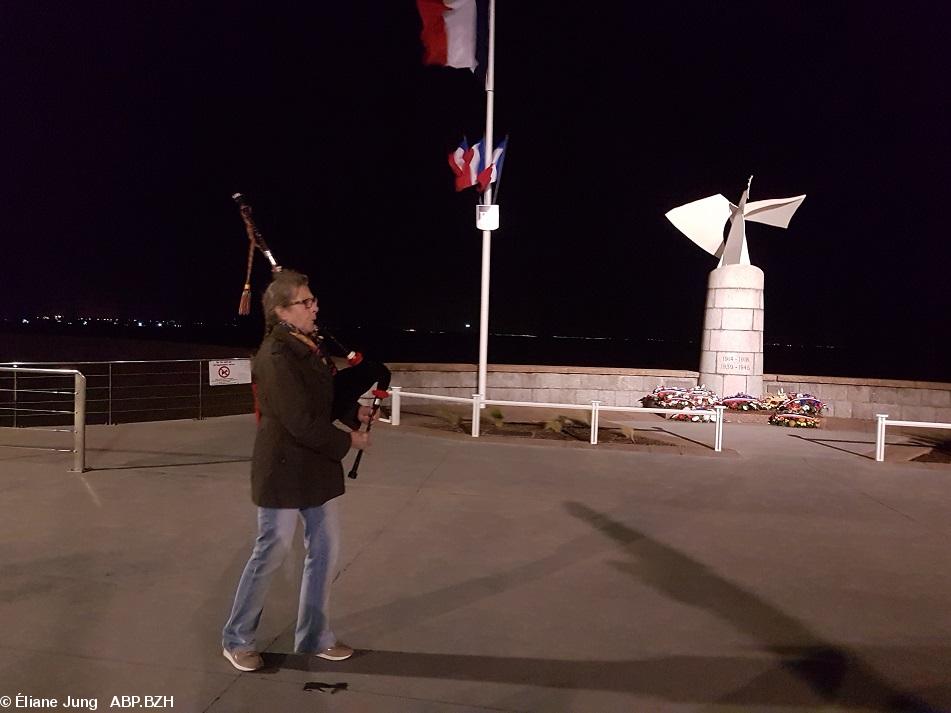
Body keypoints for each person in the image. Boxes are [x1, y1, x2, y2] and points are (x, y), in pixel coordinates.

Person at [221, 269, 372, 672]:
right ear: (283, 311)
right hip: (283, 470)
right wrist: (348, 442)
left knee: (324, 552)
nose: (314, 306)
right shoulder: (275, 356)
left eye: (313, 299)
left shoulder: (310, 346)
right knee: (270, 552)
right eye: (306, 302)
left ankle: (316, 636)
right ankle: (237, 639)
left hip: (315, 470)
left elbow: (321, 400)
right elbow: (300, 421)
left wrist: (352, 412)